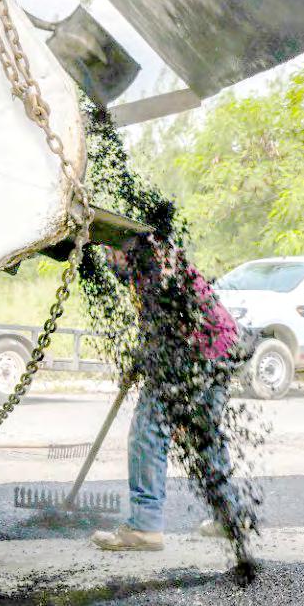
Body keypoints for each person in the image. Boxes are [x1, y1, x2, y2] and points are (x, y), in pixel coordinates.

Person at [91, 236, 241, 551]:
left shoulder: (149, 264)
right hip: (222, 343)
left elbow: (168, 325)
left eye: (109, 252)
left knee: (148, 431)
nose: (108, 259)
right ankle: (229, 515)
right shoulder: (154, 255)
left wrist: (149, 358)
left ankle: (144, 526)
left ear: (121, 247)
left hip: (192, 350)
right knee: (203, 433)